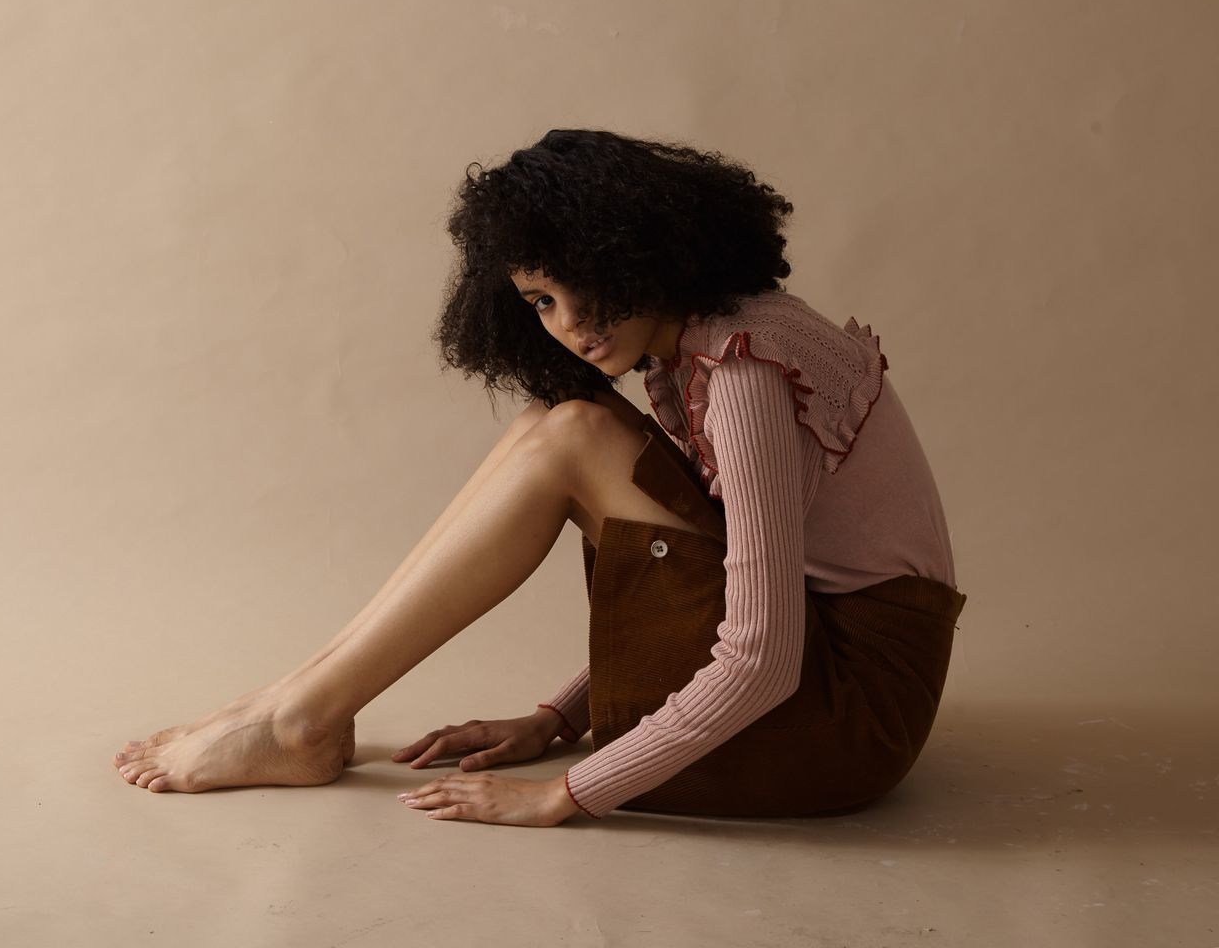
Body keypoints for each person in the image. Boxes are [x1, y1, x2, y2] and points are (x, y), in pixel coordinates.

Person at [112, 128, 966, 827]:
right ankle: (296, 701)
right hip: (827, 663)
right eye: (539, 301)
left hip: (845, 725)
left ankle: (298, 720)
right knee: (559, 424)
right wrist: (558, 719)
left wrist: (565, 793)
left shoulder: (742, 374)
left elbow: (765, 655)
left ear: (638, 250)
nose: (571, 326)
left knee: (574, 439)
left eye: (582, 282)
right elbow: (742, 575)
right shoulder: (700, 350)